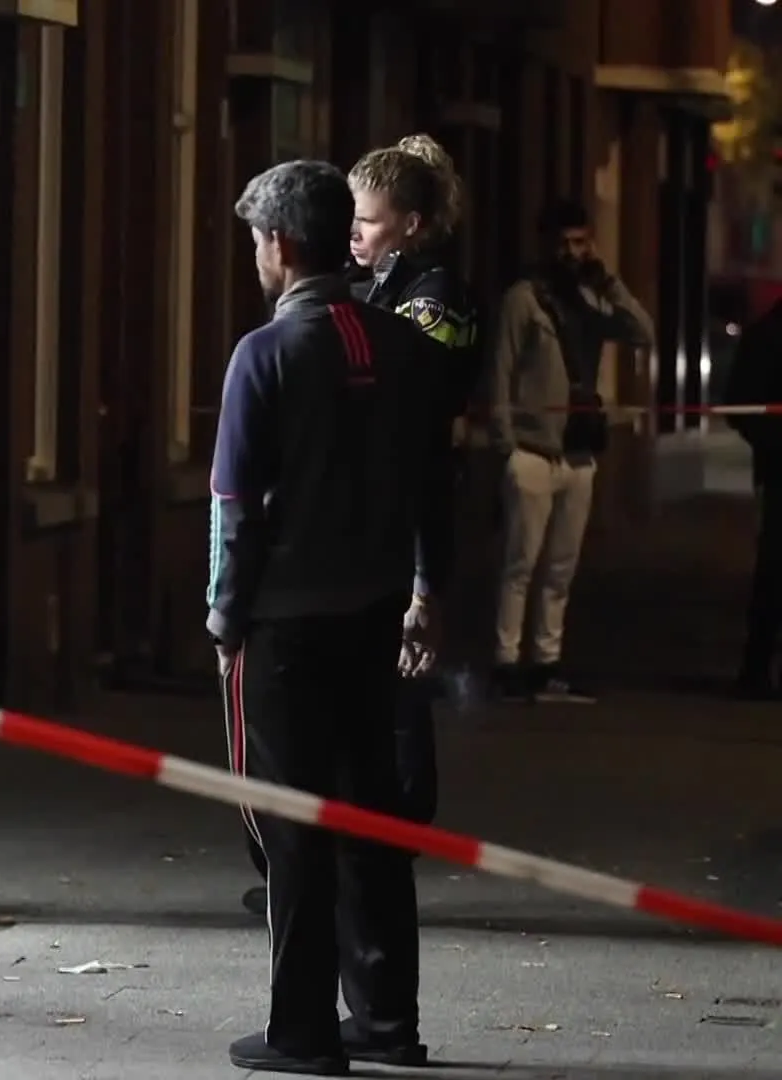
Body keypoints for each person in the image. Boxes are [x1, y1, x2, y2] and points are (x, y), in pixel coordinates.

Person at [212, 159, 452, 1074]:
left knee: (292, 823)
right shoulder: (403, 347)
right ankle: (388, 1017)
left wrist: (225, 618)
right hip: (379, 608)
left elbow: (236, 502)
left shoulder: (265, 354)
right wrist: (431, 589)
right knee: (374, 813)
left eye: (256, 244)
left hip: (285, 624)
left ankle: (302, 1030)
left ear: (279, 244)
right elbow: (437, 487)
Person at [240, 134, 480, 918]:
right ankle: (354, 888)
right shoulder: (375, 299)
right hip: (370, 535)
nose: (355, 238)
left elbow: (414, 445)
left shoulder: (429, 307)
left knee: (389, 727)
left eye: (369, 223)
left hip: (386, 537)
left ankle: (378, 866)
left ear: (410, 224)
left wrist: (424, 581)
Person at [487, 199, 653, 705]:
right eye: (562, 242)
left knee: (561, 567)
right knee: (521, 564)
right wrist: (506, 449)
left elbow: (641, 333)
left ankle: (546, 661)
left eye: (579, 241)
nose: (570, 251)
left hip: (579, 453)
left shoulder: (592, 300)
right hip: (534, 451)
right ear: (545, 243)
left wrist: (608, 281)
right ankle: (506, 661)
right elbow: (500, 374)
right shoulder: (523, 300)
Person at [725, 297, 782, 697]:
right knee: (773, 573)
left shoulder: (764, 332)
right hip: (779, 473)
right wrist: (771, 444)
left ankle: (757, 670)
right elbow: (741, 404)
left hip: (775, 467)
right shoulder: (766, 335)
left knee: (772, 573)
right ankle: (756, 669)